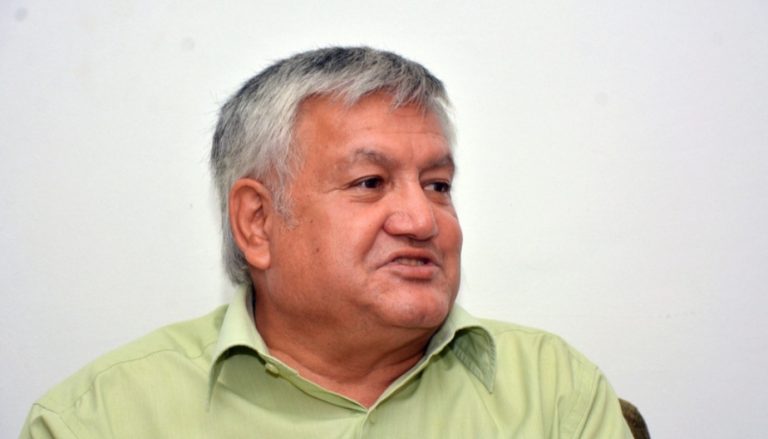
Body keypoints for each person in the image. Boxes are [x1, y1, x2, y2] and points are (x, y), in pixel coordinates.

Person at [21, 47, 632, 438]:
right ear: (257, 222)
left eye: (438, 185)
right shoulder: (101, 419)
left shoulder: (552, 393)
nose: (422, 220)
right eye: (370, 183)